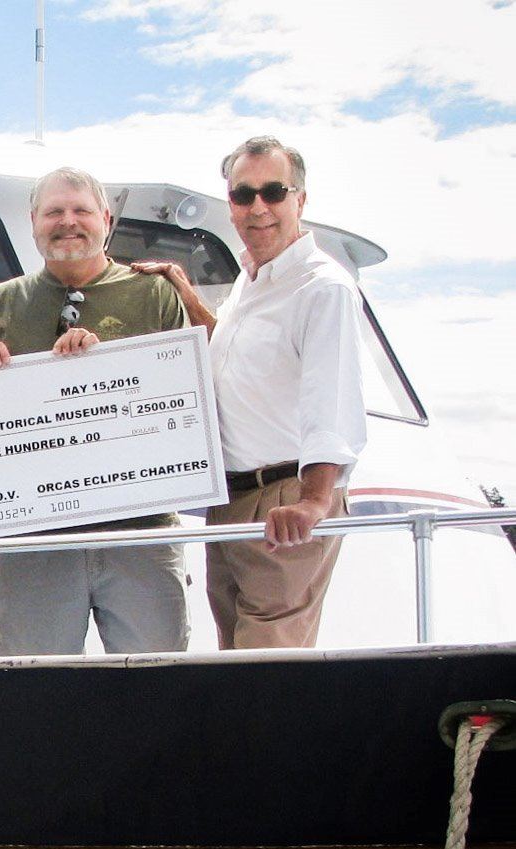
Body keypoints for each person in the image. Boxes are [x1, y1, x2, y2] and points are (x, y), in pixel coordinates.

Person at [133, 136, 367, 648]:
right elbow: (237, 360)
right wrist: (184, 290)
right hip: (233, 499)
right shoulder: (252, 280)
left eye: (273, 192)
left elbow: (331, 400)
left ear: (299, 200)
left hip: (286, 501)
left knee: (267, 669)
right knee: (234, 658)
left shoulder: (322, 287)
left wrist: (314, 503)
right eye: (243, 195)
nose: (258, 207)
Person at [0, 166, 190, 656]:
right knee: (32, 692)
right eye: (54, 212)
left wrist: (103, 362)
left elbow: (185, 400)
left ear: (106, 219)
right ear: (34, 222)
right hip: (32, 540)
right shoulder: (0, 302)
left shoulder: (155, 294)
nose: (69, 222)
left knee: (157, 689)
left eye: (81, 210)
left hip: (140, 533)